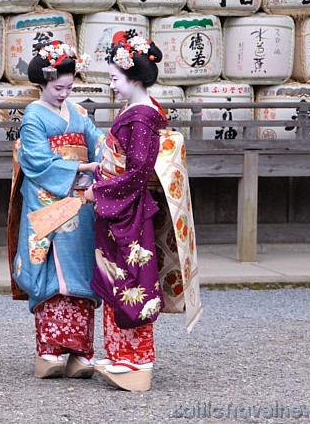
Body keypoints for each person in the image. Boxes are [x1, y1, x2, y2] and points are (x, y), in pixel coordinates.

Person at [84, 35, 202, 392]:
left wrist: (98, 189)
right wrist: (97, 166)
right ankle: (121, 355)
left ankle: (136, 361)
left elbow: (136, 171)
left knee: (131, 281)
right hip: (122, 206)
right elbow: (122, 162)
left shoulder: (141, 118)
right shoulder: (142, 111)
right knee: (117, 279)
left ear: (134, 78)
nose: (110, 85)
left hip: (128, 210)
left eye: (114, 79)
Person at [8, 40, 105, 379]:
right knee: (52, 276)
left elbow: (99, 144)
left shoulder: (78, 113)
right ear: (42, 84)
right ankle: (49, 351)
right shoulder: (34, 114)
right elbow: (35, 160)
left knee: (81, 274)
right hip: (51, 199)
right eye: (57, 87)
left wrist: (111, 159)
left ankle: (81, 352)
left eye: (69, 87)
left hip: (81, 203)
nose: (64, 93)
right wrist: (78, 172)